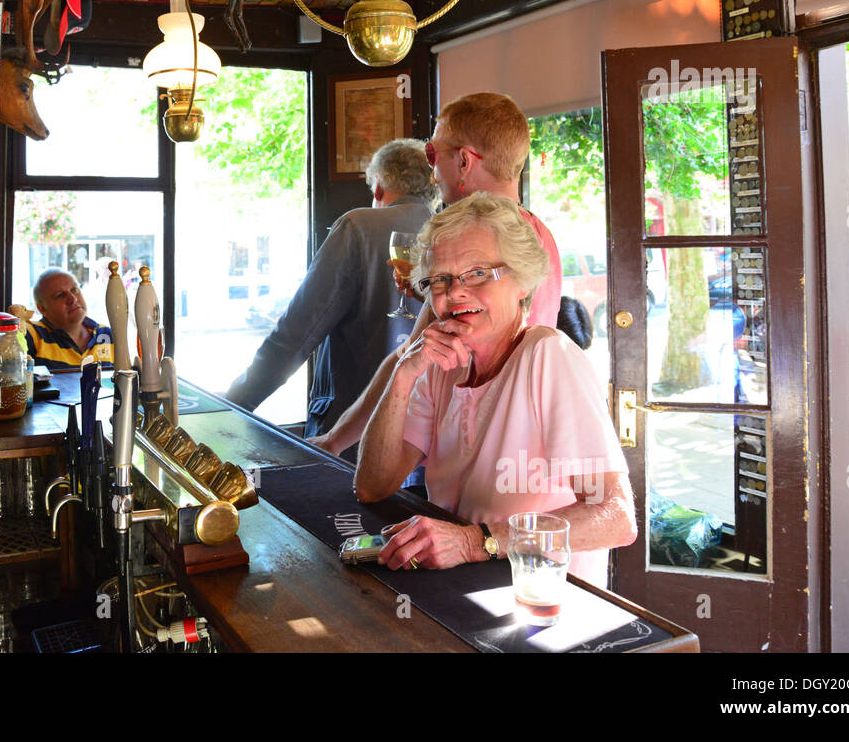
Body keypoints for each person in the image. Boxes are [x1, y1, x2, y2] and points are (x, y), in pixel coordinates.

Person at [354, 193, 636, 587]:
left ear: (521, 280)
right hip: (464, 589)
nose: (454, 293)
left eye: (478, 273)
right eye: (441, 279)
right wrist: (403, 374)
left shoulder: (548, 357)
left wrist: (475, 541)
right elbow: (372, 486)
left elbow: (616, 517)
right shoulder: (443, 367)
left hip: (542, 603)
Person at [309, 92, 563, 456]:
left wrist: (334, 441)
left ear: (463, 161)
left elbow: (407, 358)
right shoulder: (539, 234)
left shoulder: (471, 240)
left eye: (432, 154)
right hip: (526, 445)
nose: (431, 172)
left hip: (478, 451)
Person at [225, 139, 436, 438]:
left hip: (351, 432)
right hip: (428, 435)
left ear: (378, 188)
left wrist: (232, 405)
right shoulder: (450, 230)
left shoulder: (358, 227)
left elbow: (296, 333)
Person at [20, 267, 113, 370]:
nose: (73, 299)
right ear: (42, 309)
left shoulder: (105, 334)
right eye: (60, 295)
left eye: (74, 290)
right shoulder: (33, 335)